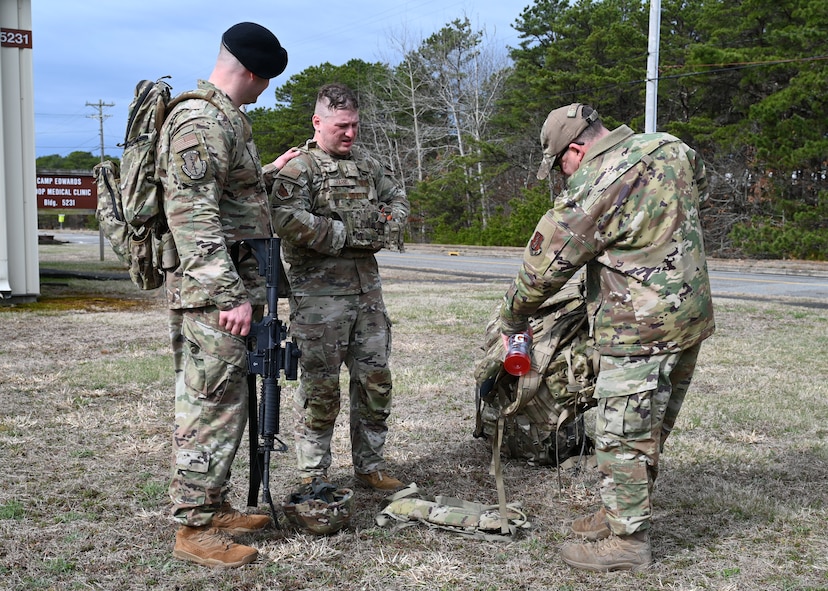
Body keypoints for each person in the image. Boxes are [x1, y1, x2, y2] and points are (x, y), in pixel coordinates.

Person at [499, 103, 715, 571]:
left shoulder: (595, 184)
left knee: (623, 435)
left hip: (637, 328)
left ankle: (628, 543)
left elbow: (542, 272)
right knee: (651, 426)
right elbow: (704, 186)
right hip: (688, 318)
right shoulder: (670, 146)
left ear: (576, 149)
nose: (561, 175)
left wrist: (512, 321)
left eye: (559, 165)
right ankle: (619, 508)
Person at [158, 22, 296, 568]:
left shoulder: (223, 120)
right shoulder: (199, 121)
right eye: (265, 81)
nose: (265, 90)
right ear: (253, 73)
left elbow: (227, 195)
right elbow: (192, 216)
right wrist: (227, 295)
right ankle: (193, 528)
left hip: (230, 286)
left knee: (227, 402)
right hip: (214, 296)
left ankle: (212, 507)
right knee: (208, 406)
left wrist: (267, 173)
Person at [271, 83, 410, 494]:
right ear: (318, 122)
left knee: (375, 382)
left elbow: (398, 202)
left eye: (355, 125)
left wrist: (385, 225)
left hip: (367, 296)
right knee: (320, 388)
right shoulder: (300, 168)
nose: (349, 134)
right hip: (318, 301)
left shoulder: (369, 166)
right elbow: (284, 217)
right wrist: (343, 233)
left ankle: (370, 465)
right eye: (341, 126)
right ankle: (314, 474)